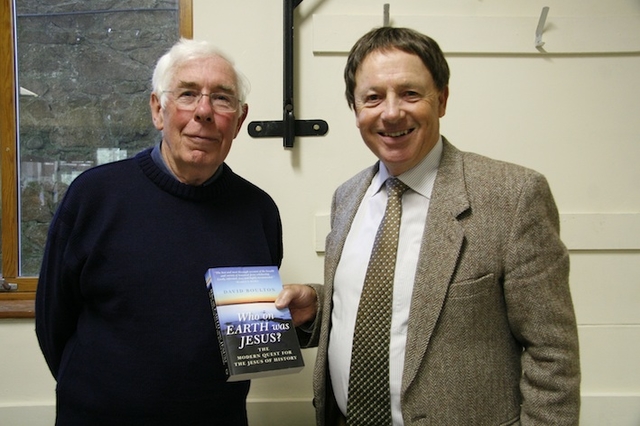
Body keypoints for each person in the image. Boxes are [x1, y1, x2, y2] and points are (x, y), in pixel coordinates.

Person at [276, 27, 581, 425]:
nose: (390, 112)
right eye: (372, 97)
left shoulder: (513, 196)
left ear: (442, 99)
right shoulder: (347, 197)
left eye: (410, 93)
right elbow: (386, 305)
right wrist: (319, 306)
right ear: (355, 109)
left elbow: (552, 354)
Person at [35, 38, 283, 425]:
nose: (204, 111)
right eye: (187, 94)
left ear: (239, 118)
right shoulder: (94, 196)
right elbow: (54, 321)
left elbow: (250, 335)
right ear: (157, 109)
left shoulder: (258, 210)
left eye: (221, 99)